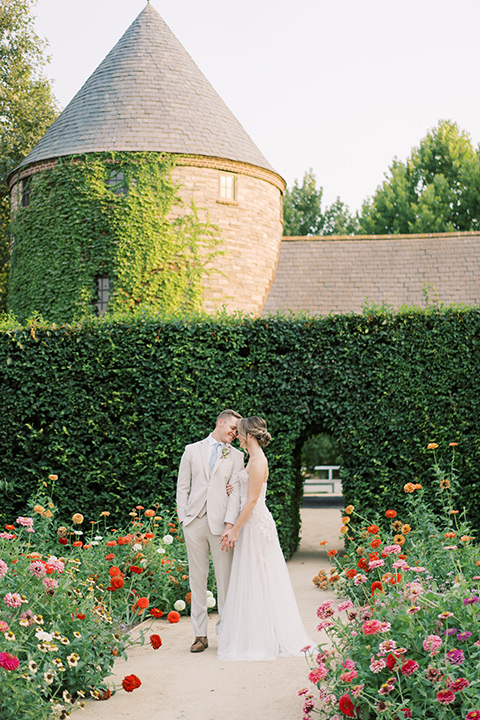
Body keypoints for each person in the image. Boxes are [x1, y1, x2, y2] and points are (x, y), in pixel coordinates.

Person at [217, 416, 312, 661]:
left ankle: (267, 637)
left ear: (249, 436)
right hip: (250, 523)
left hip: (255, 524)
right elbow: (245, 490)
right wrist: (234, 487)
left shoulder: (259, 461)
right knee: (253, 577)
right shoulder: (251, 460)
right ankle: (258, 633)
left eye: (240, 433)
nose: (237, 436)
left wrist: (235, 529)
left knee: (260, 577)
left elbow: (252, 501)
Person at [176, 409, 244, 653]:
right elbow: (183, 486)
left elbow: (236, 492)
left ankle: (224, 634)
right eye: (233, 428)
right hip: (194, 522)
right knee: (197, 580)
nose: (235, 434)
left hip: (221, 525)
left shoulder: (237, 456)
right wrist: (184, 517)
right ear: (220, 422)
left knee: (224, 581)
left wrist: (229, 524)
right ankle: (200, 635)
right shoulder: (191, 450)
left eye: (238, 431)